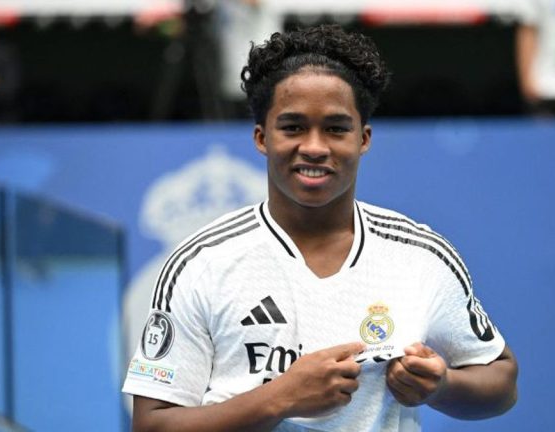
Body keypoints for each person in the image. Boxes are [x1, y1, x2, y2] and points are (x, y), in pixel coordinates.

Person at [123, 24, 518, 431]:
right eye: (293, 127)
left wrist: (442, 385)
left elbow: (502, 380)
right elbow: (152, 425)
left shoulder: (419, 256)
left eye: (336, 128)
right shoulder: (201, 263)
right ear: (261, 137)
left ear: (363, 139)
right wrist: (280, 398)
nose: (314, 147)